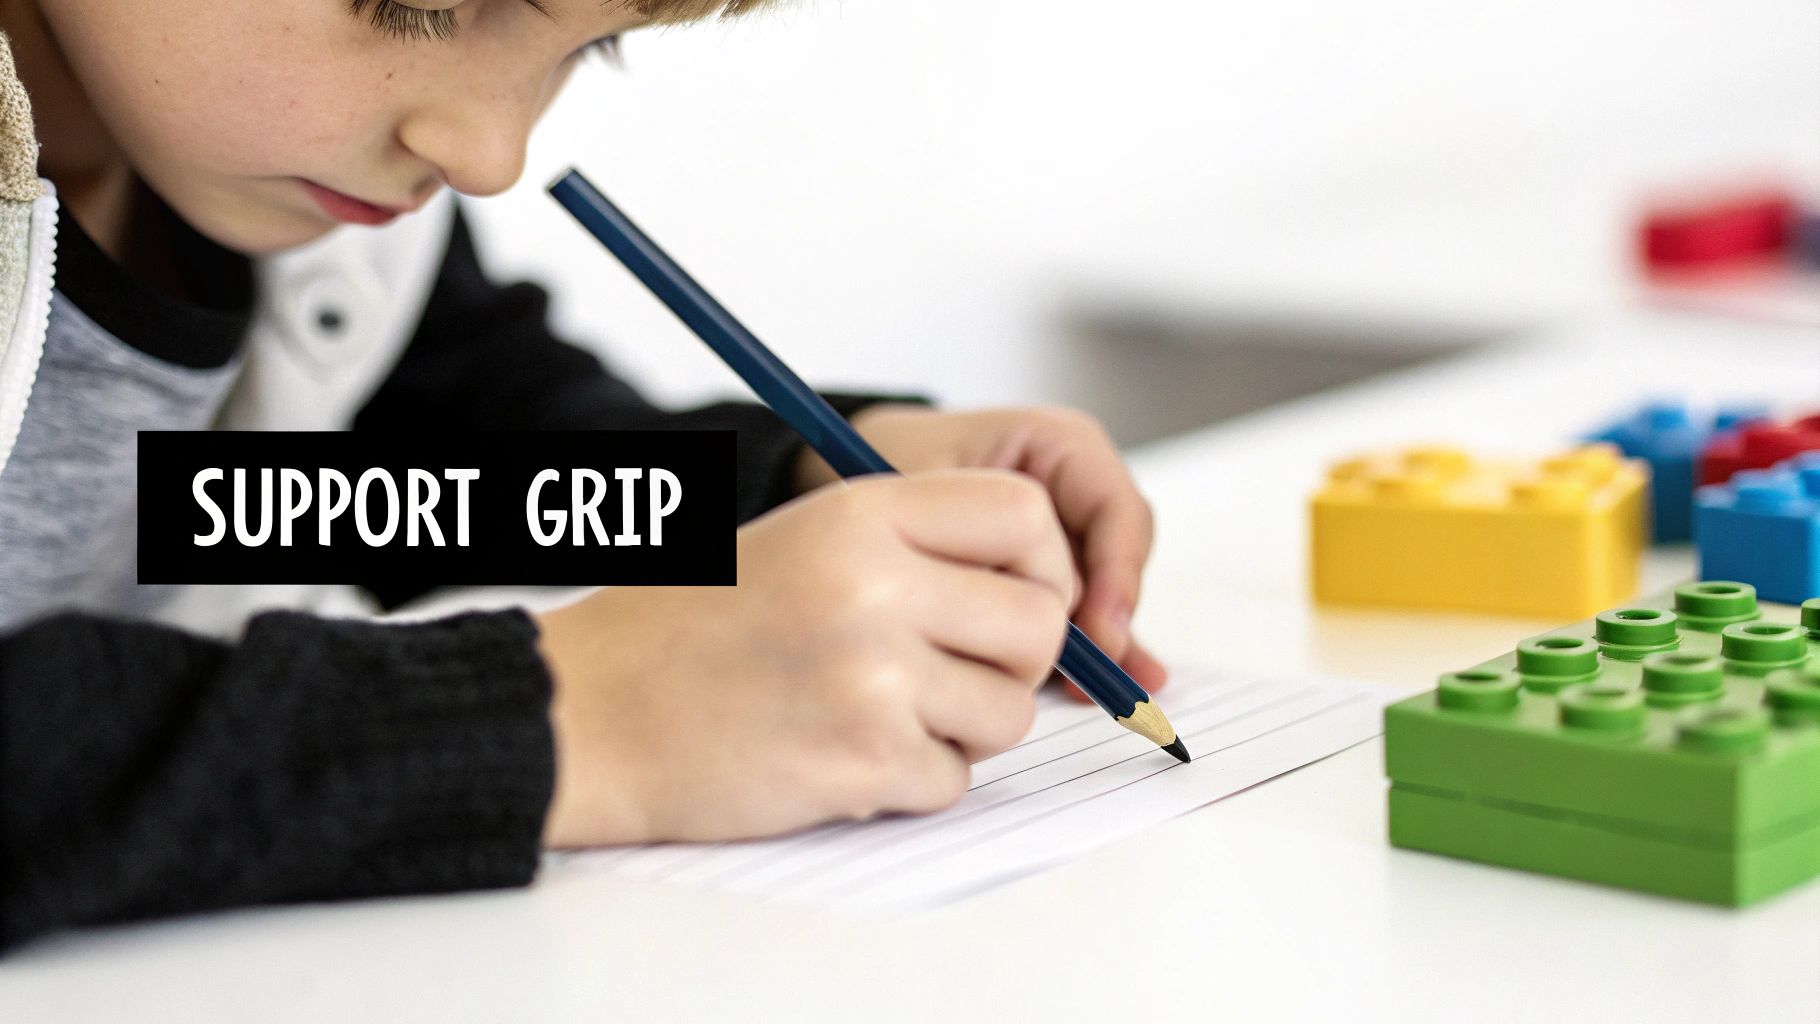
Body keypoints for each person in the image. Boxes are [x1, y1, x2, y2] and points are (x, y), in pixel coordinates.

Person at [0, 0, 1165, 950]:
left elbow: (388, 487)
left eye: (584, 42)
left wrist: (785, 480)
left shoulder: (295, 184)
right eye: (420, 6)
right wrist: (573, 716)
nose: (486, 155)